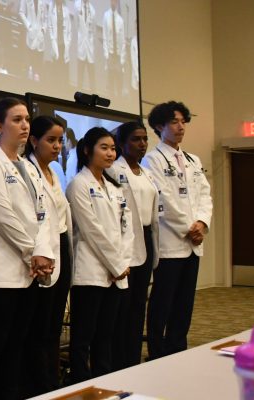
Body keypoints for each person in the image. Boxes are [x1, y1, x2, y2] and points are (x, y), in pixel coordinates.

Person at [0, 98, 55, 399]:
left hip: (27, 273)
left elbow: (43, 214)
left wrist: (41, 252)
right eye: (17, 119)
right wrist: (35, 252)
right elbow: (3, 218)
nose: (25, 125)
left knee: (16, 346)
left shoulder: (28, 167)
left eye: (27, 119)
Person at [142, 101, 212, 359]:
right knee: (163, 301)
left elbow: (205, 195)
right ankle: (157, 352)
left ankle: (177, 348)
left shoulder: (193, 160)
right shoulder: (152, 160)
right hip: (170, 243)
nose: (180, 126)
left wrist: (202, 223)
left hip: (193, 244)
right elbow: (163, 200)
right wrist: (189, 228)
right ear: (159, 126)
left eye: (183, 121)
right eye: (174, 122)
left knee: (184, 302)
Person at [66, 127, 134, 384]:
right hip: (91, 271)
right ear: (87, 150)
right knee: (84, 335)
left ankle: (104, 380)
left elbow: (126, 228)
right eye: (104, 148)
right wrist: (116, 264)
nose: (110, 153)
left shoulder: (114, 187)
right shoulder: (78, 185)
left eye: (113, 148)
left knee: (106, 334)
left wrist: (122, 262)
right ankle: (81, 382)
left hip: (117, 272)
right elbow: (91, 230)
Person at [22, 115, 72, 396]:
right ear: (34, 141)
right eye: (51, 140)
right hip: (41, 252)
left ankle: (52, 381)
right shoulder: (27, 171)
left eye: (60, 141)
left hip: (61, 247)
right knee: (39, 326)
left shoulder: (56, 173)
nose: (57, 146)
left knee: (54, 324)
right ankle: (39, 385)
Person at [106, 121, 160, 369]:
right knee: (123, 306)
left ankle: (133, 358)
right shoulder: (114, 170)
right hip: (125, 241)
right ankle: (119, 361)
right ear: (122, 143)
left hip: (146, 238)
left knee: (139, 304)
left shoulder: (146, 172)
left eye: (145, 139)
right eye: (136, 139)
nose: (142, 144)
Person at [102, 0, 126, 96]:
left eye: (115, 1)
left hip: (118, 55)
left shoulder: (120, 20)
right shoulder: (106, 16)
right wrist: (106, 55)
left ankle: (119, 98)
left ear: (117, 3)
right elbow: (104, 36)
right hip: (110, 54)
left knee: (119, 80)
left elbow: (123, 40)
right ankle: (111, 98)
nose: (113, 2)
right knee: (111, 79)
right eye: (112, 1)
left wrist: (122, 58)